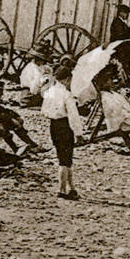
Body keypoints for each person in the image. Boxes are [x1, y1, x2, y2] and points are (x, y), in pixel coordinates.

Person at [41, 57, 83, 199]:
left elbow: (44, 110)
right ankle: (62, 189)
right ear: (66, 80)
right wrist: (79, 133)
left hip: (53, 125)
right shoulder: (67, 95)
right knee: (66, 160)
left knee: (63, 157)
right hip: (65, 126)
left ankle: (71, 188)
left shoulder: (50, 92)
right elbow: (73, 116)